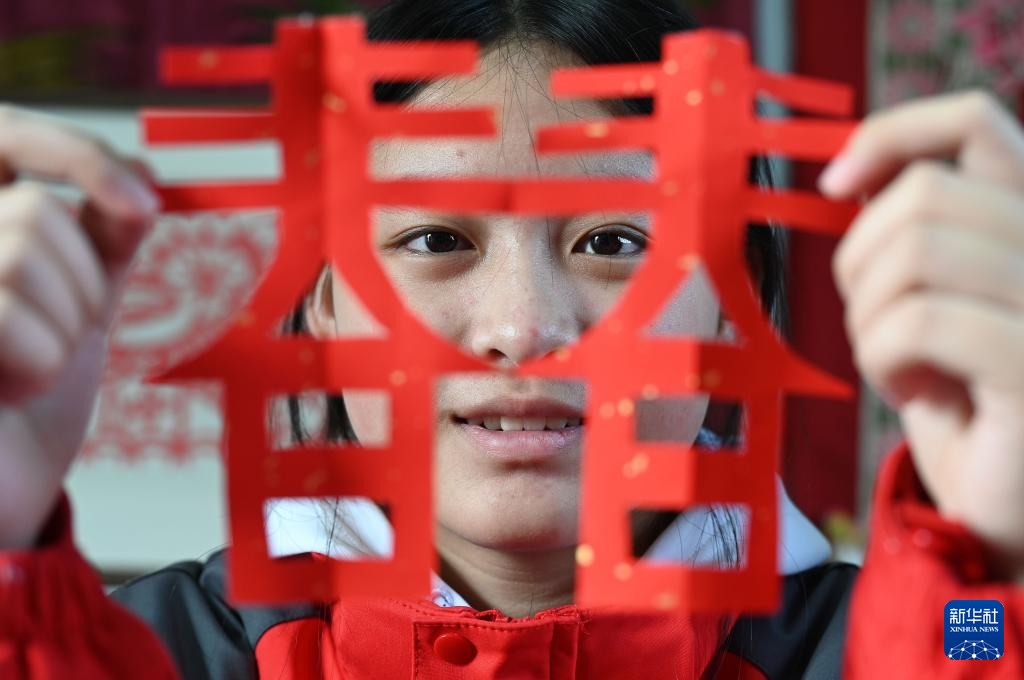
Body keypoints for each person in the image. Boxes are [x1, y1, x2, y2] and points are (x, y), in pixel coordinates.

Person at [1, 0, 1023, 677]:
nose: (524, 328)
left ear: (734, 301)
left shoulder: (938, 637)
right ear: (323, 301)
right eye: (435, 240)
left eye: (614, 242)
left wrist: (999, 568)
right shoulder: (136, 650)